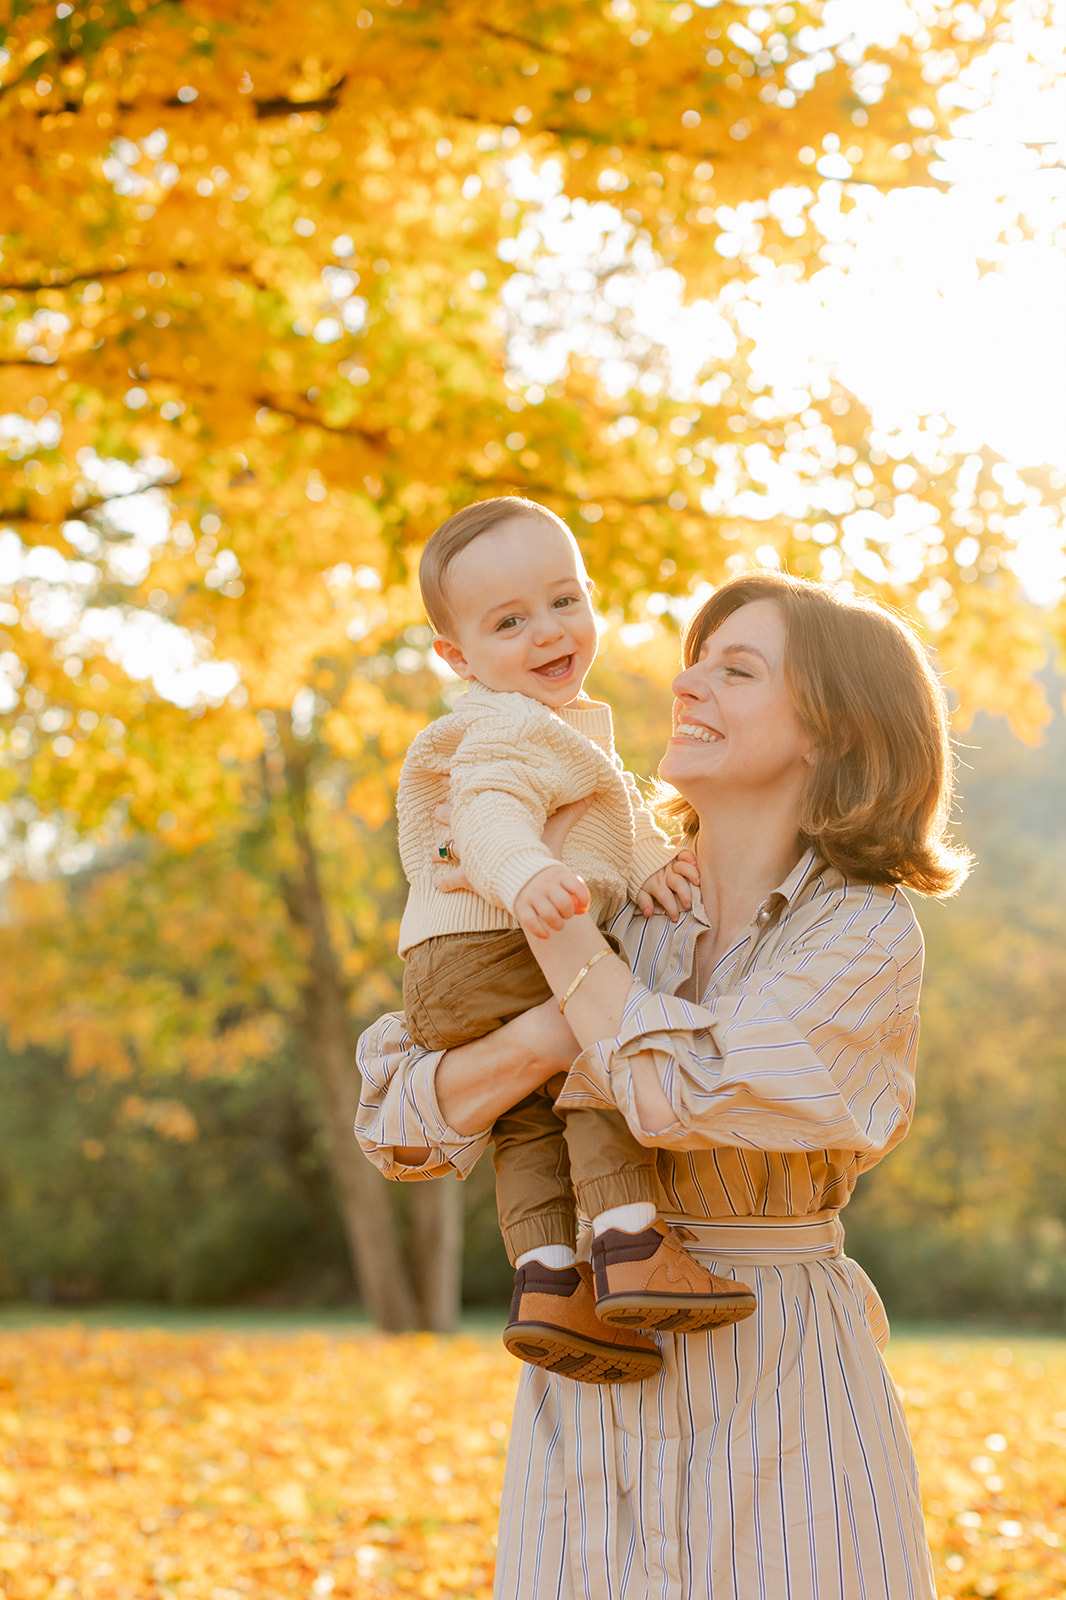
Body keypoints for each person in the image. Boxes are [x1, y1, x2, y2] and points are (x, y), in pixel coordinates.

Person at [357, 568, 971, 1599]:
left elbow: (671, 1088)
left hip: (777, 1379)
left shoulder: (860, 933)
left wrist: (545, 935)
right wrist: (557, 1016)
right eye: (694, 664)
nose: (686, 688)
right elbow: (399, 1120)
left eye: (734, 671)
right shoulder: (620, 909)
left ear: (831, 733)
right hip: (591, 1375)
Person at [396, 496, 755, 1385]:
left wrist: (653, 866)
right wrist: (524, 877)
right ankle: (631, 1243)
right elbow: (485, 813)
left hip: (441, 966)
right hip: (497, 940)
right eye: (509, 621)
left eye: (565, 601)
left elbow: (607, 813)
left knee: (526, 1124)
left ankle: (548, 1279)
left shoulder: (556, 726)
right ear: (457, 656)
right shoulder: (509, 725)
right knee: (600, 1054)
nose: (549, 633)